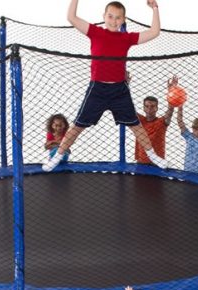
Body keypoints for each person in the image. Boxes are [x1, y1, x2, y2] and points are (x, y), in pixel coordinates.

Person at [42, 0, 168, 172]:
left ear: (123, 20)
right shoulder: (95, 32)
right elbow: (71, 17)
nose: (113, 20)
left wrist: (155, 8)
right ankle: (57, 156)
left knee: (136, 126)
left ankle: (153, 155)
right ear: (104, 16)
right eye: (110, 16)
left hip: (119, 90)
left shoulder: (126, 38)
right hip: (97, 89)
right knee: (77, 126)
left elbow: (154, 32)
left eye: (118, 18)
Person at [135, 76, 178, 164]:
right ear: (143, 108)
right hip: (140, 163)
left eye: (152, 106)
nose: (149, 109)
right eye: (147, 106)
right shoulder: (140, 121)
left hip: (157, 164)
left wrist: (172, 91)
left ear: (157, 108)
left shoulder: (161, 122)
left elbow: (170, 110)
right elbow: (128, 107)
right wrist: (125, 85)